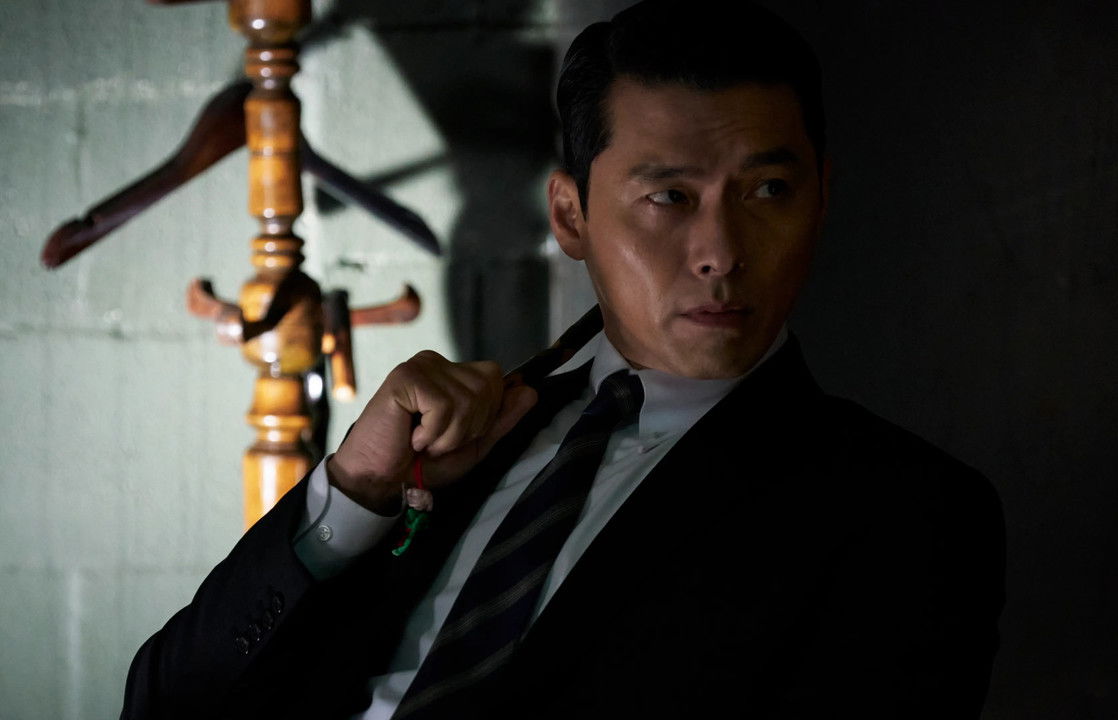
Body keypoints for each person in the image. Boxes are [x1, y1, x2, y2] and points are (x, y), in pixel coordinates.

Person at [122, 1, 1005, 718]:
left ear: (821, 199)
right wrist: (353, 492)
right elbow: (166, 703)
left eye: (768, 190)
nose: (721, 252)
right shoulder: (460, 438)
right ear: (571, 217)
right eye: (669, 197)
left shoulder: (903, 512)